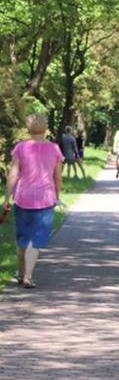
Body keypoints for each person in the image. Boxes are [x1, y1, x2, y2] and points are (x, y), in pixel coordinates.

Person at [3, 114, 63, 289]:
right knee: (36, 239)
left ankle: (21, 273)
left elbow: (13, 175)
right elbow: (58, 177)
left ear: (28, 128)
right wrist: (57, 196)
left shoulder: (20, 148)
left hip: (23, 197)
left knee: (22, 237)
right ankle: (28, 276)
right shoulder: (54, 149)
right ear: (45, 129)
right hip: (45, 198)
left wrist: (7, 198)